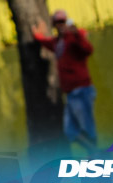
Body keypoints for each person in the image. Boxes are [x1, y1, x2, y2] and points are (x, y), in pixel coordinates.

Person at [32, 9, 97, 153]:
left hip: (81, 90)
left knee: (87, 128)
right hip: (70, 93)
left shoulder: (74, 37)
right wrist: (37, 34)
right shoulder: (58, 42)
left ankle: (96, 158)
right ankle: (96, 154)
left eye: (62, 22)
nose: (59, 25)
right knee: (70, 130)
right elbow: (46, 42)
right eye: (56, 23)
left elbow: (88, 50)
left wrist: (77, 34)